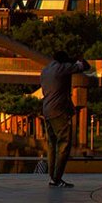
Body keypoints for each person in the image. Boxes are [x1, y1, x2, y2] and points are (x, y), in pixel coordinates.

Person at [40, 51, 91, 188]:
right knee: (64, 144)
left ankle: (53, 177)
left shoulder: (45, 70)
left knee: (52, 144)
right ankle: (57, 178)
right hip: (59, 111)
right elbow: (85, 66)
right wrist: (77, 60)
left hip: (46, 110)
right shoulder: (63, 69)